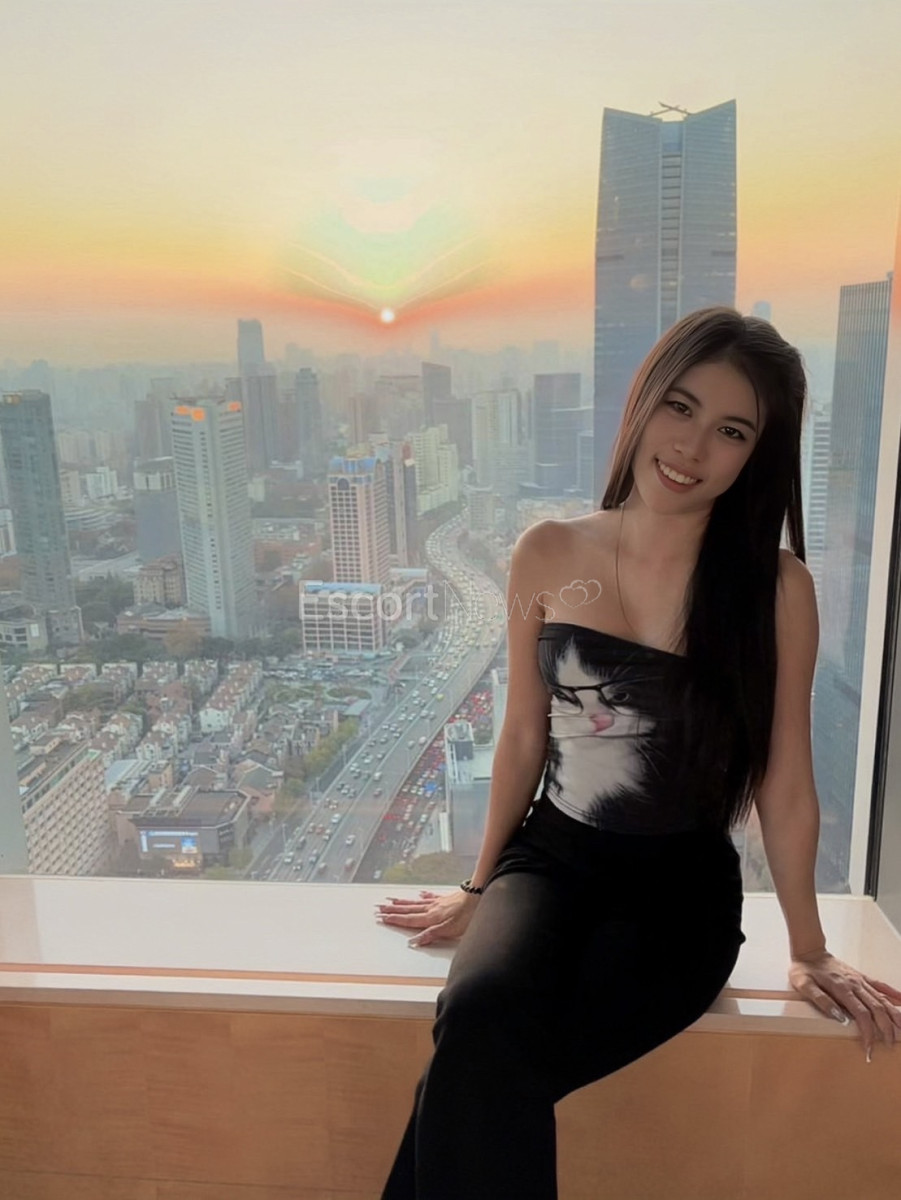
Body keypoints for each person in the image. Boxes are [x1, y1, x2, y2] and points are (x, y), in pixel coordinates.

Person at [375, 307, 901, 1200]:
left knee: (481, 1071)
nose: (690, 447)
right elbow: (522, 736)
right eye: (679, 408)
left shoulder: (777, 590)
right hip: (549, 863)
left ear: (757, 456)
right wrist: (478, 884)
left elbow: (783, 782)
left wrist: (809, 947)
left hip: (679, 898)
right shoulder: (546, 551)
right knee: (476, 1013)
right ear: (643, 401)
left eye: (730, 431)